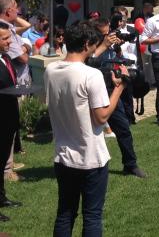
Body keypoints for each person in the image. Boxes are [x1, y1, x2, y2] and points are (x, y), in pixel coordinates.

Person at [44, 23, 129, 235]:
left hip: (63, 155)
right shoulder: (91, 75)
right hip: (90, 156)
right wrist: (119, 88)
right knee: (92, 215)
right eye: (93, 45)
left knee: (65, 213)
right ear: (86, 44)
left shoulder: (51, 70)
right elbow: (101, 117)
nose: (94, 49)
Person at [88, 17, 147, 178]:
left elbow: (115, 59)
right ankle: (87, 166)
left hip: (110, 88)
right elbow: (89, 63)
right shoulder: (90, 43)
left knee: (123, 127)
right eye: (104, 34)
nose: (108, 36)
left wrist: (117, 47)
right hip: (92, 89)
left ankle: (130, 165)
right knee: (89, 131)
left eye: (109, 32)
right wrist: (103, 45)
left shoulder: (110, 42)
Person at [0, 24, 21, 222]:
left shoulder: (5, 58)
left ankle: (1, 197)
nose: (9, 42)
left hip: (8, 119)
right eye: (5, 38)